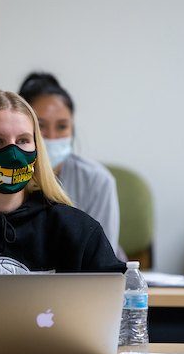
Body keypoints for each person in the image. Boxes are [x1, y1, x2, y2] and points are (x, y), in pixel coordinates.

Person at [0, 88, 125, 275]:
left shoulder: (76, 230)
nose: (13, 154)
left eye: (23, 141)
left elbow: (115, 296)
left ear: (37, 149)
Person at [18, 72, 127, 261]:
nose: (51, 137)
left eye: (62, 126)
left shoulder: (97, 180)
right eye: (41, 126)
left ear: (72, 128)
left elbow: (100, 260)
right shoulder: (5, 177)